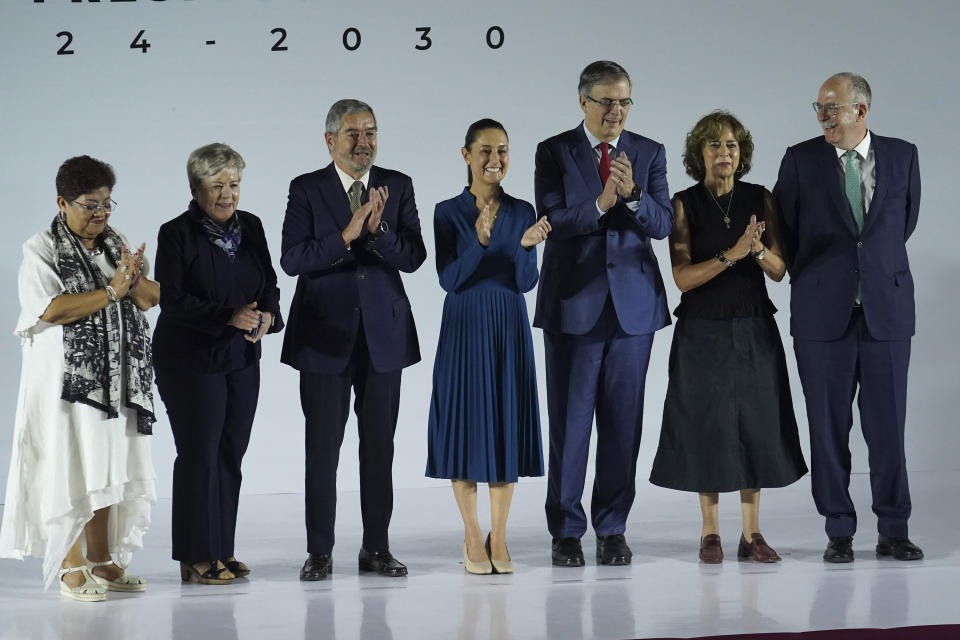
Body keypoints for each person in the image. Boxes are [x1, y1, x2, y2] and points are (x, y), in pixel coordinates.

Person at [774, 72, 923, 563]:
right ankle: (839, 530)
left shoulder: (903, 155)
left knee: (888, 429)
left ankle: (893, 530)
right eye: (818, 108)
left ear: (861, 111)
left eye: (831, 109)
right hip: (822, 318)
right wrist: (820, 279)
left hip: (886, 313)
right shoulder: (801, 160)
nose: (823, 118)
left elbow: (902, 224)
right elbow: (784, 231)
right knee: (827, 428)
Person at [648, 111, 808, 563]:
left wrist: (756, 250)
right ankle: (710, 533)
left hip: (753, 324)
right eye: (715, 145)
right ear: (700, 153)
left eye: (733, 145)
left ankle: (752, 533)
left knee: (755, 425)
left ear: (743, 153)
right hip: (701, 330)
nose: (725, 153)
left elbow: (779, 271)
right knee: (708, 427)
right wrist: (731, 253)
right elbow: (681, 277)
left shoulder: (761, 198)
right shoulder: (684, 203)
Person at [0, 155, 159, 601]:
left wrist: (131, 279)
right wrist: (112, 291)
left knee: (106, 462)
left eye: (108, 203)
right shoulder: (41, 248)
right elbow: (49, 309)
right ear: (63, 202)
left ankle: (102, 560)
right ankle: (70, 565)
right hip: (63, 384)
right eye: (91, 205)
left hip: (113, 379)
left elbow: (149, 298)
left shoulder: (115, 242)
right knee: (68, 463)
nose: (102, 214)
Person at [534, 60, 673, 567]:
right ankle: (566, 531)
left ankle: (612, 529)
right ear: (583, 103)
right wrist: (600, 202)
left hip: (633, 309)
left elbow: (662, 223)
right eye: (606, 101)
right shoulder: (553, 151)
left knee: (623, 425)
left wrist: (633, 196)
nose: (616, 111)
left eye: (624, 101)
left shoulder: (649, 152)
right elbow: (551, 218)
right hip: (574, 307)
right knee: (570, 426)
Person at [281, 99, 427, 580]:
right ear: (330, 140)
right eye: (353, 134)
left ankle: (376, 549)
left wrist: (379, 228)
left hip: (383, 335)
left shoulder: (397, 184)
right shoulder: (306, 188)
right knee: (322, 447)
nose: (363, 142)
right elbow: (293, 259)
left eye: (371, 132)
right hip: (324, 335)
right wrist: (346, 234)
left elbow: (413, 257)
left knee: (378, 446)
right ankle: (319, 552)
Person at [152, 143, 283, 585]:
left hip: (242, 357)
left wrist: (267, 315)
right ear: (195, 188)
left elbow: (270, 284)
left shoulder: (254, 227)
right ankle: (195, 554)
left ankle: (221, 549)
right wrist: (226, 316)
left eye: (234, 184)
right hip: (190, 360)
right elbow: (171, 300)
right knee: (200, 454)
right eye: (216, 186)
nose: (227, 194)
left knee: (230, 453)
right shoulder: (175, 234)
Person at [426, 119, 551, 574]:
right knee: (465, 424)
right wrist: (479, 241)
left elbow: (525, 281)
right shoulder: (446, 211)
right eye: (484, 150)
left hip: (507, 323)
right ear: (466, 155)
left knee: (503, 422)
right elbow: (448, 280)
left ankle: (500, 535)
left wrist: (523, 245)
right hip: (464, 324)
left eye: (502, 150)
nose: (494, 159)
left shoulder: (522, 210)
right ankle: (472, 534)